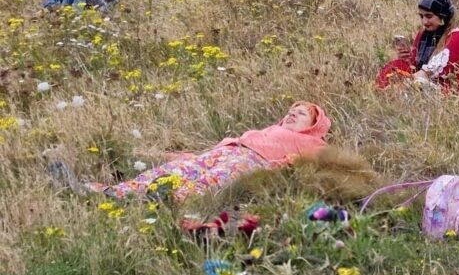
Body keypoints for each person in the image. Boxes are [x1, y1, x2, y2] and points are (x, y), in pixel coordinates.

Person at [48, 101, 331, 203]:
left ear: (315, 124)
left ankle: (155, 201)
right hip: (228, 150)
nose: (292, 115)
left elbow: (298, 164)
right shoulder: (268, 129)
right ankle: (106, 192)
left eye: (301, 113)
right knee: (172, 171)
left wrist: (273, 171)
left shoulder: (315, 144)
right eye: (291, 111)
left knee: (205, 183)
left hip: (252, 162)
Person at [376, 0, 459, 92]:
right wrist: (406, 58)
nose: (424, 21)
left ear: (442, 16)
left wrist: (400, 84)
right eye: (421, 16)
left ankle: (388, 93)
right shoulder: (425, 33)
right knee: (395, 66)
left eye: (429, 16)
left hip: (448, 88)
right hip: (424, 80)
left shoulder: (458, 37)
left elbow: (428, 73)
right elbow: (415, 66)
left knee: (417, 84)